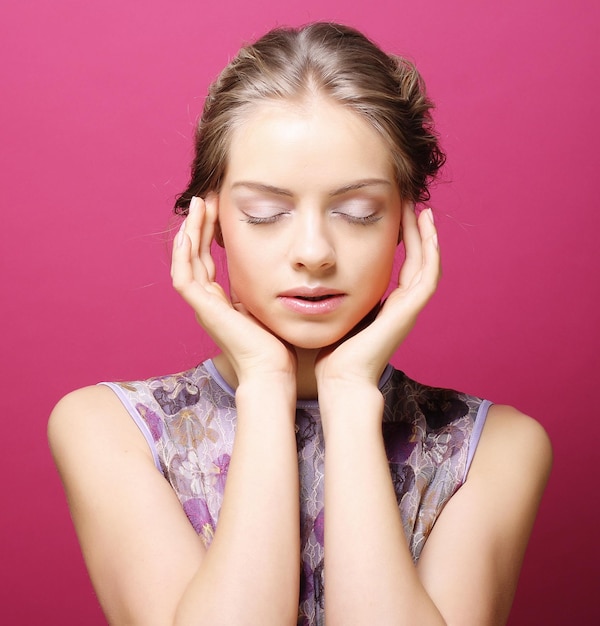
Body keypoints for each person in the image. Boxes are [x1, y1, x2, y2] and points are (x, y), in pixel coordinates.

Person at [48, 22, 552, 626]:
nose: (314, 251)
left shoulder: (496, 447)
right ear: (210, 223)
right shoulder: (110, 430)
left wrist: (348, 393)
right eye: (265, 213)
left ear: (404, 224)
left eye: (357, 212)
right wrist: (263, 383)